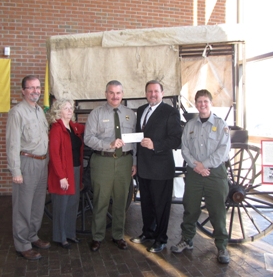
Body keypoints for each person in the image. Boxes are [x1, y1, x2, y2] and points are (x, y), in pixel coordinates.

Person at [170, 89, 231, 264]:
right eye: (199, 102)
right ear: (196, 104)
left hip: (215, 173)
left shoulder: (221, 125)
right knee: (190, 207)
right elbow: (185, 148)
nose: (202, 105)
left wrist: (205, 165)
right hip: (195, 172)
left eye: (205, 101)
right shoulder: (190, 125)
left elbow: (223, 150)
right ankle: (187, 239)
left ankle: (221, 246)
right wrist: (197, 165)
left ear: (210, 103)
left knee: (217, 210)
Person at [84, 80, 136, 252]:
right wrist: (109, 144)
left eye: (118, 93)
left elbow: (134, 142)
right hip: (103, 162)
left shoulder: (130, 114)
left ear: (122, 94)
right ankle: (97, 237)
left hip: (124, 162)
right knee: (101, 200)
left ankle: (118, 235)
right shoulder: (96, 114)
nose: (115, 96)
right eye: (111, 93)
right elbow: (88, 138)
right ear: (106, 94)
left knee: (121, 200)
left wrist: (134, 162)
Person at [130, 80, 182, 253]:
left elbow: (176, 139)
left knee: (161, 205)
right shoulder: (141, 110)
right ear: (146, 93)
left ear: (162, 93)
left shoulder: (171, 112)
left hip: (161, 168)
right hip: (144, 167)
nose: (153, 94)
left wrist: (155, 144)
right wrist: (136, 163)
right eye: (149, 91)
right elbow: (138, 139)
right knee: (146, 203)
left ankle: (161, 239)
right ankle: (148, 232)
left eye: (156, 91)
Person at [6, 75, 50, 260]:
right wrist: (16, 171)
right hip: (27, 163)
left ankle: (32, 235)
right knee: (23, 206)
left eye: (37, 87)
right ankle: (22, 243)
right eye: (31, 88)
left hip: (42, 163)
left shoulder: (39, 110)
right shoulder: (17, 112)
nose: (35, 91)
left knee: (38, 204)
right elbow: (12, 144)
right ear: (23, 91)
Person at [47, 98, 84, 249]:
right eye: (66, 108)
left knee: (73, 204)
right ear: (58, 111)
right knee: (61, 205)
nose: (70, 110)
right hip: (62, 173)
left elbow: (83, 128)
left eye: (71, 108)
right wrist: (61, 176)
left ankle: (70, 233)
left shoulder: (73, 127)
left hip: (75, 170)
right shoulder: (57, 129)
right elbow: (54, 154)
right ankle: (60, 236)